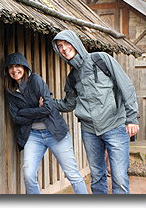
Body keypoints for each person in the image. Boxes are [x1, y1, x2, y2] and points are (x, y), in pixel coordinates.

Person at [51, 30, 139, 194]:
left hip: (115, 126)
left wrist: (132, 118)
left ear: (75, 42)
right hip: (90, 131)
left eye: (66, 44)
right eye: (60, 47)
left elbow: (126, 86)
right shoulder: (72, 78)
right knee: (97, 176)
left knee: (119, 178)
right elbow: (69, 104)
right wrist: (49, 102)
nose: (63, 49)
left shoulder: (101, 59)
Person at [3, 52, 87, 194]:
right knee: (29, 174)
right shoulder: (10, 90)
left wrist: (24, 111)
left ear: (24, 67)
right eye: (10, 67)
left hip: (55, 132)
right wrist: (37, 109)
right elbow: (16, 118)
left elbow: (48, 107)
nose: (14, 70)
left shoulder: (35, 80)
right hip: (33, 135)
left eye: (17, 66)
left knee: (72, 174)